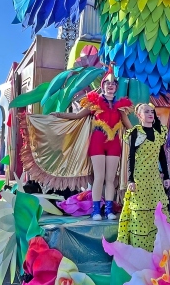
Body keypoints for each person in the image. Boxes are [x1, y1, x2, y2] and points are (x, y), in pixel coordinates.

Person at [54, 71, 132, 220]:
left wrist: (143, 133)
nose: (110, 85)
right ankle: (96, 210)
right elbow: (77, 116)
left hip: (114, 144)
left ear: (116, 87)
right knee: (99, 177)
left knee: (110, 179)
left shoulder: (121, 106)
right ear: (102, 86)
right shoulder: (94, 102)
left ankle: (109, 210)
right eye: (107, 83)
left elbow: (129, 126)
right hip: (97, 142)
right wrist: (59, 115)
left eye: (113, 84)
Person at [118, 103, 170, 250]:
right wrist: (130, 179)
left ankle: (157, 247)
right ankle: (140, 249)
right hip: (139, 179)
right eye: (146, 112)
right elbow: (131, 157)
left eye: (152, 112)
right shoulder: (136, 132)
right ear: (139, 115)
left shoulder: (159, 133)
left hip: (154, 178)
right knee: (140, 213)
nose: (150, 114)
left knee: (158, 210)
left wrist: (167, 176)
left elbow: (162, 157)